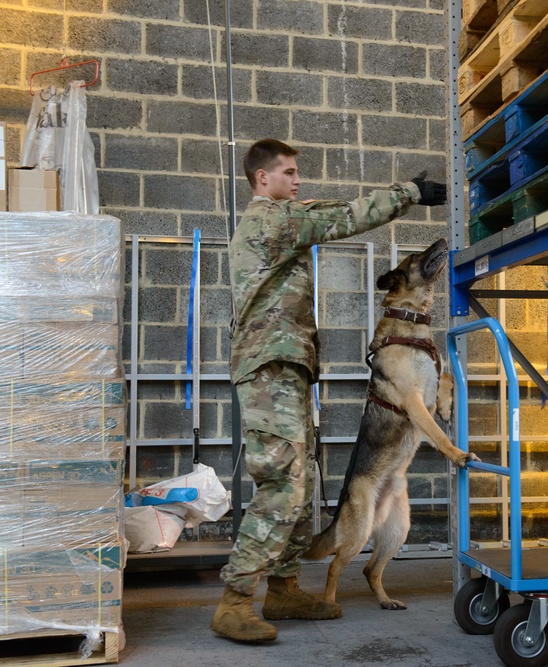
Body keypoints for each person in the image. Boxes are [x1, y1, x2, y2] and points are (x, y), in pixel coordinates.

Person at [211, 138, 447, 643]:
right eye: (289, 173)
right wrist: (408, 193)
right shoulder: (271, 220)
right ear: (262, 179)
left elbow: (327, 209)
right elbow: (341, 217)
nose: (298, 181)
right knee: (282, 484)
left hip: (289, 369)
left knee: (300, 481)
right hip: (270, 369)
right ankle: (234, 602)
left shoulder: (283, 216)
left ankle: (284, 588)